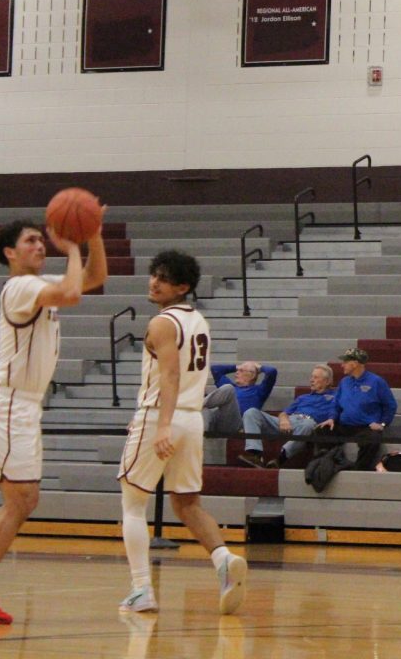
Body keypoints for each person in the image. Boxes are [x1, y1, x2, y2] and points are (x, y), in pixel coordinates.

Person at [0, 218, 108, 624]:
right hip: (8, 403)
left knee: (25, 499)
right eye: (31, 241)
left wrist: (92, 234)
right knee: (21, 499)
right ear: (10, 253)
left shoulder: (36, 283)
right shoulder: (20, 287)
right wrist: (72, 247)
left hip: (23, 404)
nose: (40, 245)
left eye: (40, 239)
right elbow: (73, 291)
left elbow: (93, 279)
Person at [116, 250, 248, 616]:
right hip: (192, 417)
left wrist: (158, 423)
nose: (154, 282)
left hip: (164, 415)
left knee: (133, 503)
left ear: (182, 287)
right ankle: (223, 558)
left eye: (164, 277)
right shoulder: (199, 321)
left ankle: (142, 588)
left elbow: (170, 376)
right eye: (153, 274)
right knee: (187, 503)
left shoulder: (162, 323)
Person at [239, 364, 338, 469]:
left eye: (316, 377)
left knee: (308, 424)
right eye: (311, 377)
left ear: (327, 381)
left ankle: (279, 459)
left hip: (308, 424)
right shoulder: (303, 397)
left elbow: (335, 410)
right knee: (251, 412)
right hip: (290, 421)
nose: (311, 380)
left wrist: (332, 418)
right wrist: (284, 420)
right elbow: (284, 413)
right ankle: (255, 454)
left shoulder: (334, 396)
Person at [317, 348, 397, 468]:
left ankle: (359, 469)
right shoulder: (344, 382)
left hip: (365, 427)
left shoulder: (376, 382)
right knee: (321, 431)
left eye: (345, 362)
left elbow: (390, 405)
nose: (342, 365)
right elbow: (336, 404)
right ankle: (328, 464)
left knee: (372, 439)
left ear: (354, 363)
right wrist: (332, 418)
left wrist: (383, 424)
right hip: (344, 425)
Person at [205, 361, 278, 433]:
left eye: (241, 371)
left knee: (228, 388)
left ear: (252, 375)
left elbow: (272, 372)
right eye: (237, 370)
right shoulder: (232, 386)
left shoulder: (259, 391)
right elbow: (215, 369)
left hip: (234, 424)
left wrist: (259, 367)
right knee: (204, 410)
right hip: (217, 419)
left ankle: (199, 403)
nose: (237, 372)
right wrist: (236, 367)